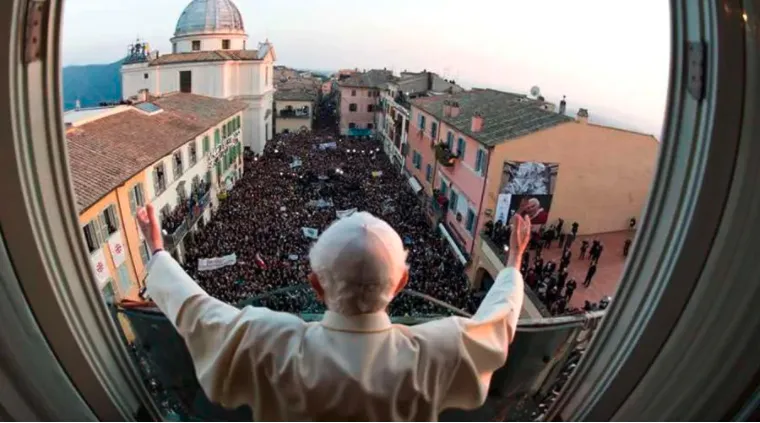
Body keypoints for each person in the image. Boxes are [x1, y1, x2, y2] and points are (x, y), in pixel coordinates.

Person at [137, 204, 532, 421]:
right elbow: (496, 325)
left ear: (314, 285)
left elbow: (198, 312)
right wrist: (512, 265)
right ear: (402, 283)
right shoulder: (438, 350)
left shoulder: (268, 341)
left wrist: (159, 253)